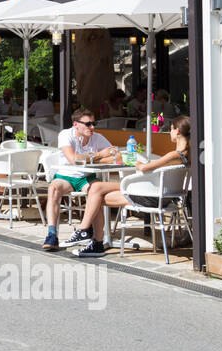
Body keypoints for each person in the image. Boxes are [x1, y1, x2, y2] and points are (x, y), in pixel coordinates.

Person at [72, 116, 193, 256]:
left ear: (177, 131)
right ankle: (87, 234)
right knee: (96, 189)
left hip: (150, 198)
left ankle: (92, 239)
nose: (169, 133)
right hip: (162, 196)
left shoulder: (174, 155)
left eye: (171, 129)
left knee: (95, 196)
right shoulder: (187, 155)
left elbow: (144, 168)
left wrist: (133, 160)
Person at [41, 107, 121, 251]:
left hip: (86, 177)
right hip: (66, 175)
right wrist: (99, 155)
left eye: (94, 123)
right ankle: (52, 234)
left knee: (97, 192)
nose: (92, 127)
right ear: (75, 124)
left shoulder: (98, 137)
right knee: (53, 188)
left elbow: (117, 155)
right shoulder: (66, 135)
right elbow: (73, 159)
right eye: (88, 124)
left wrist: (93, 158)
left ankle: (97, 240)